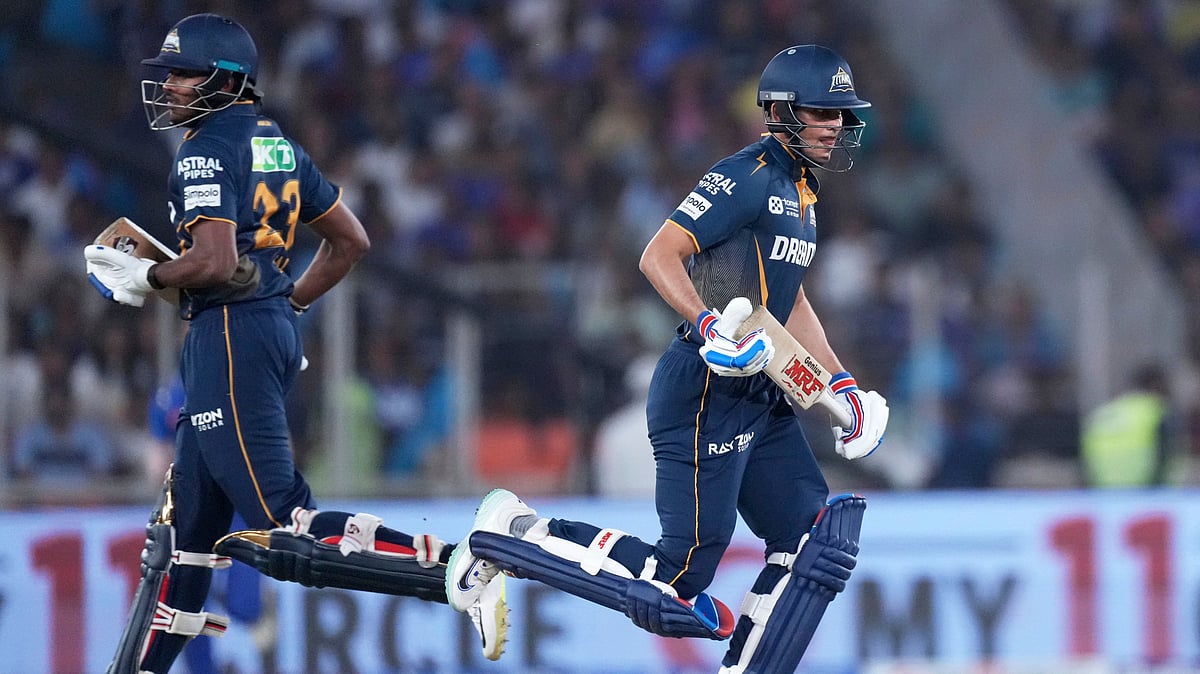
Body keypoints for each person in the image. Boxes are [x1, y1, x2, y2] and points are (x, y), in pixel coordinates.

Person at [445, 45, 889, 673]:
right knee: (676, 582)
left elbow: (786, 299)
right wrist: (710, 325)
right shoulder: (748, 175)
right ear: (782, 111)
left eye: (843, 114)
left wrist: (840, 383)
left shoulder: (801, 193)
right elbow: (658, 254)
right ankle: (509, 534)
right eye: (824, 112)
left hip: (757, 394)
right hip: (705, 389)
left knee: (814, 538)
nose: (838, 125)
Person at [83, 14, 505, 673]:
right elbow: (351, 242)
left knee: (287, 525)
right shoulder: (277, 143)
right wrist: (288, 304)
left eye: (182, 74)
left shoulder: (203, 148)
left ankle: (454, 567)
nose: (168, 87)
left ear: (223, 81)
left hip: (227, 333)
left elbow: (217, 261)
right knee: (188, 534)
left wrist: (149, 274)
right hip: (260, 328)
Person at [1081, 362, 1175, 488]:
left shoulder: (1101, 415)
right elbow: (1164, 458)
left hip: (1103, 494)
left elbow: (1084, 464)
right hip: (1144, 493)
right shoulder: (1154, 411)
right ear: (1156, 385)